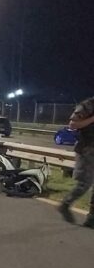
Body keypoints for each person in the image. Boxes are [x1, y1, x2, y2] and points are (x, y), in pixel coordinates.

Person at [59, 96, 94, 227]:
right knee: (85, 184)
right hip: (87, 150)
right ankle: (65, 204)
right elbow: (73, 125)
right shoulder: (88, 105)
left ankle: (91, 218)